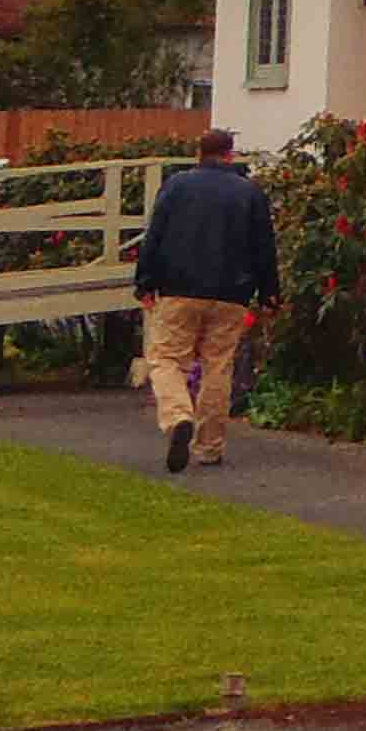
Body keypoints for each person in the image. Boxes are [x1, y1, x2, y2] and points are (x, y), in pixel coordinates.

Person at [134, 131, 279, 474]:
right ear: (230, 155)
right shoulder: (250, 192)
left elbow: (155, 234)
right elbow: (264, 246)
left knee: (166, 358)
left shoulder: (177, 186)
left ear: (199, 153)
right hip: (232, 293)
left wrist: (145, 281)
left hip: (179, 288)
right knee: (218, 366)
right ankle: (210, 446)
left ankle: (178, 415)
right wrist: (270, 291)